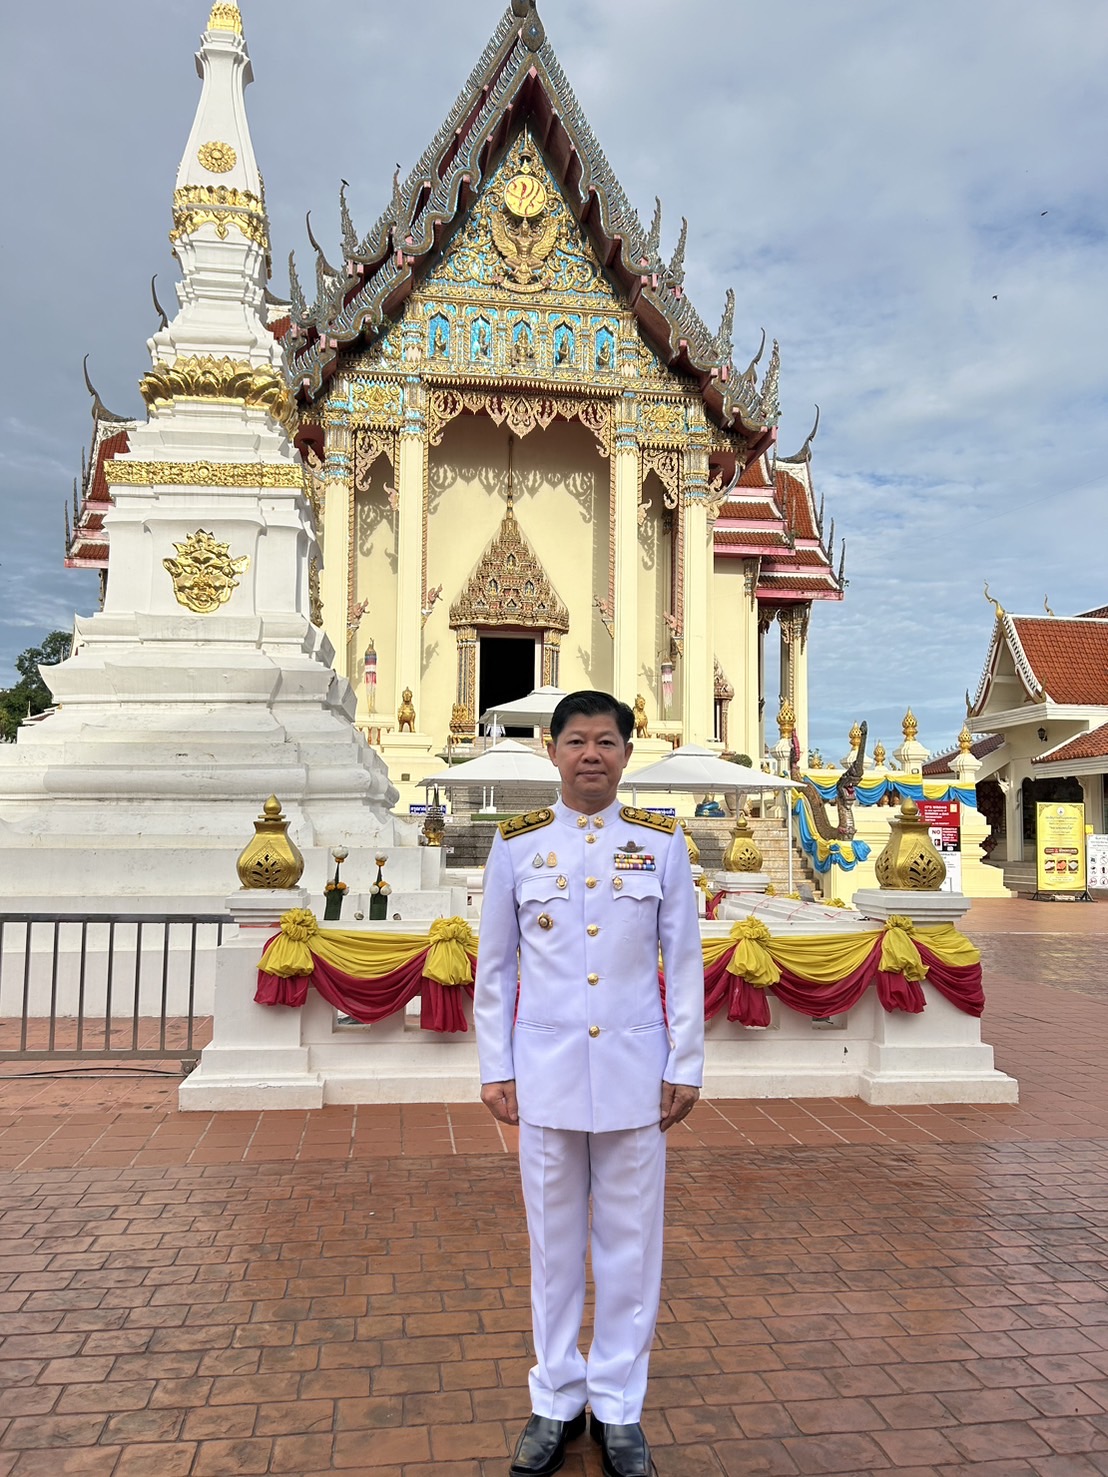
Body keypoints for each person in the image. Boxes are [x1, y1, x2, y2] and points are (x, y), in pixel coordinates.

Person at [475, 690, 705, 1477]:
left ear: (627, 753)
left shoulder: (662, 845)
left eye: (606, 740)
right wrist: (495, 1066)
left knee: (631, 1247)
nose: (591, 754)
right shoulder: (516, 846)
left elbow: (685, 966)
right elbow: (495, 971)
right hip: (544, 1075)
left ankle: (618, 1406)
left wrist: (686, 1063)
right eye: (576, 740)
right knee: (553, 1245)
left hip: (638, 1075)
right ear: (552, 750)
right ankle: (554, 1398)